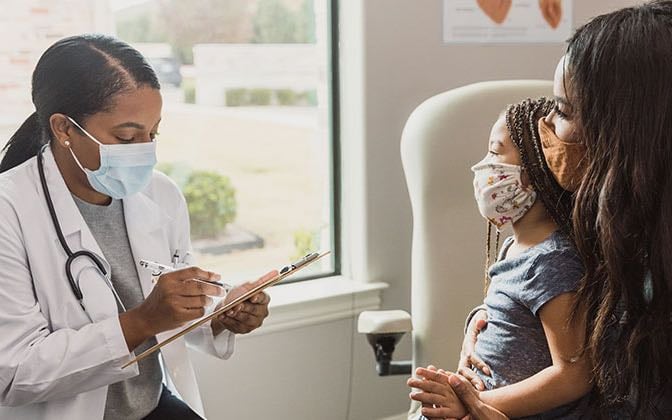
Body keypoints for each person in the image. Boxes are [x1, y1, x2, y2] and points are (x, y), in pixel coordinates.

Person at [0, 34, 272, 420]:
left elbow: (172, 309)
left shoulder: (161, 196)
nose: (146, 151)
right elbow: (14, 372)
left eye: (153, 133)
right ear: (64, 129)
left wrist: (218, 314)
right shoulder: (8, 211)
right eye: (127, 137)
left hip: (150, 405)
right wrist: (143, 320)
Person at [438, 2, 672, 418]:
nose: (551, 136)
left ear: (625, 127)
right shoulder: (609, 225)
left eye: (562, 111)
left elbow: (588, 374)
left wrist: (478, 405)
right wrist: (487, 320)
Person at [408, 97, 590, 419]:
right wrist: (475, 326)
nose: (482, 166)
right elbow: (514, 314)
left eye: (494, 151)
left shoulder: (551, 261)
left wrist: (472, 404)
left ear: (532, 172)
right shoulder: (514, 248)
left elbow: (573, 375)